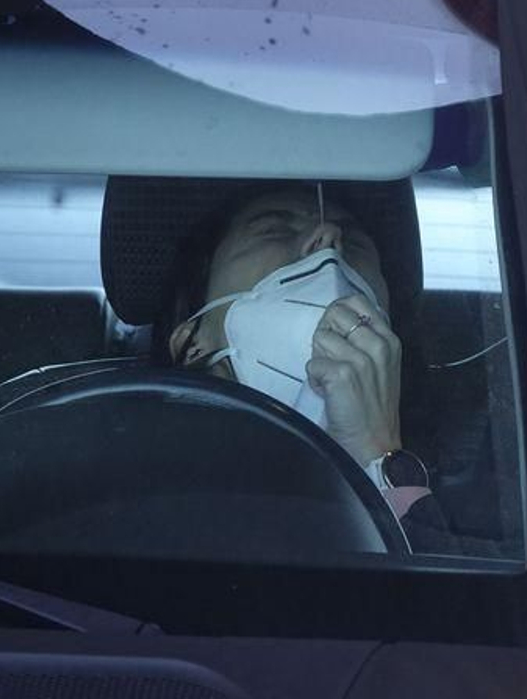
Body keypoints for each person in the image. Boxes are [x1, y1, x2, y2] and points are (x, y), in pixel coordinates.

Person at [156, 180, 448, 533]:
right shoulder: (123, 487)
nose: (329, 241)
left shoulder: (491, 508)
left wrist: (379, 459)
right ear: (191, 345)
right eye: (273, 231)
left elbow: (440, 587)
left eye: (354, 244)